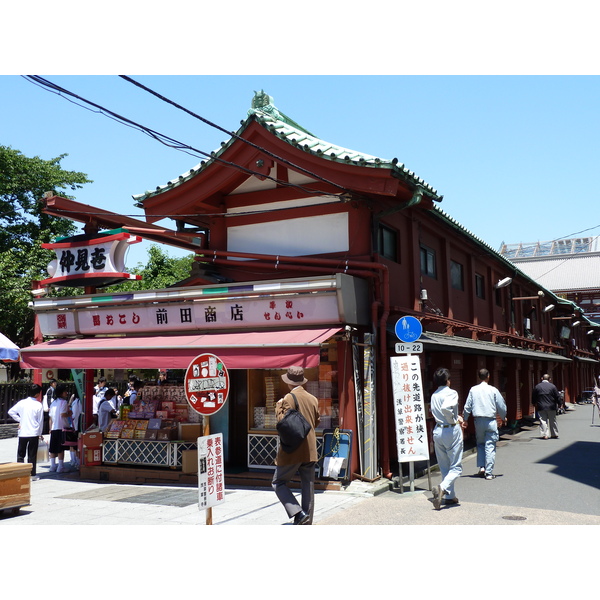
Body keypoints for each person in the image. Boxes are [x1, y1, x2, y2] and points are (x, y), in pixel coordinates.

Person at [272, 366, 320, 525]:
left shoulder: (287, 399)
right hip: (310, 449)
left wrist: (278, 406)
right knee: (308, 485)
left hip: (293, 449)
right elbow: (317, 421)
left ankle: (298, 513)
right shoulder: (313, 399)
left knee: (278, 482)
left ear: (288, 382)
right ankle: (307, 521)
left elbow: (282, 423)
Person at [462, 368, 507, 480]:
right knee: (490, 445)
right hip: (491, 420)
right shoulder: (493, 390)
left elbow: (468, 405)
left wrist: (465, 418)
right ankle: (489, 472)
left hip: (478, 420)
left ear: (478, 377)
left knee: (481, 444)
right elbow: (501, 405)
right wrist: (503, 417)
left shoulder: (473, 390)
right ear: (488, 376)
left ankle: (482, 467)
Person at [429, 368, 464, 509]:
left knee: (445, 466)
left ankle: (449, 496)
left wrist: (455, 417)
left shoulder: (434, 395)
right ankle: (442, 488)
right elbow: (446, 409)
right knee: (456, 467)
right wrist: (453, 420)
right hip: (450, 430)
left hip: (438, 430)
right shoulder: (451, 393)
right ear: (447, 380)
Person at [8, 383, 44, 480]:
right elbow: (40, 421)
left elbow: (11, 412)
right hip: (34, 432)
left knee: (21, 454)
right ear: (37, 394)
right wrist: (40, 433)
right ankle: (32, 475)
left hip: (23, 432)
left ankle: (20, 473)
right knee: (32, 455)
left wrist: (20, 420)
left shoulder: (22, 402)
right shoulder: (38, 404)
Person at [48, 383, 72, 473]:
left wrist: (50, 428)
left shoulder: (53, 402)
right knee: (60, 448)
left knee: (53, 447)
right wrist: (69, 413)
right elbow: (63, 414)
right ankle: (61, 466)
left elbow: (50, 416)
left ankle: (52, 465)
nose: (67, 393)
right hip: (62, 427)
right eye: (65, 391)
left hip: (54, 427)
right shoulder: (64, 402)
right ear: (62, 393)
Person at [532, 374, 560, 439]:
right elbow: (557, 396)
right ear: (549, 379)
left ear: (542, 378)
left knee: (543, 421)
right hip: (551, 406)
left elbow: (533, 396)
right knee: (552, 420)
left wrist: (534, 403)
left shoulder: (537, 386)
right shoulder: (553, 386)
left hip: (541, 406)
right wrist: (560, 403)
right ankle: (554, 434)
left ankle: (545, 434)